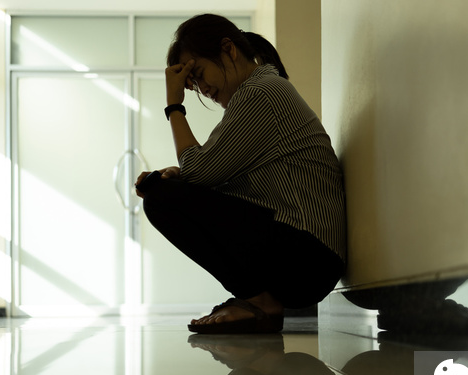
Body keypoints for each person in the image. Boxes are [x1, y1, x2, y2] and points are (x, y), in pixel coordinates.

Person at [135, 14, 346, 334]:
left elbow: (200, 171)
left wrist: (174, 105)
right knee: (168, 191)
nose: (202, 88)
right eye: (192, 86)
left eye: (199, 74)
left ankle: (258, 300)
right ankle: (257, 299)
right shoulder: (261, 91)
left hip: (308, 259)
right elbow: (215, 178)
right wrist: (182, 176)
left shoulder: (259, 93)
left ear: (228, 49)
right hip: (310, 259)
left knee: (160, 199)